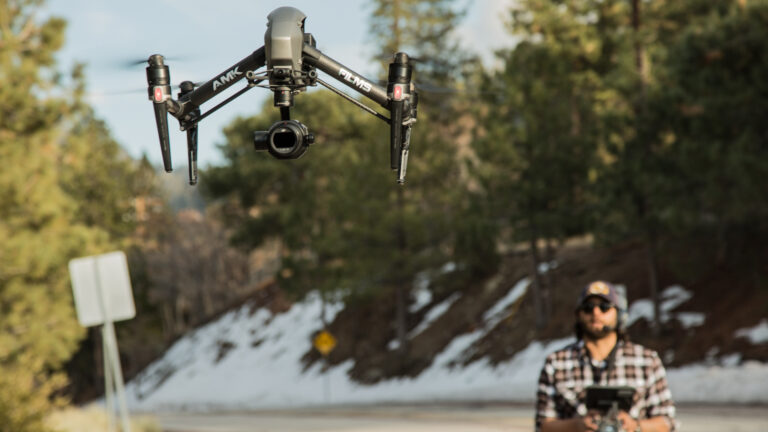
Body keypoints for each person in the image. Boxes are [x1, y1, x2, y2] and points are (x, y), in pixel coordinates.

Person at [535, 281, 676, 432]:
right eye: (588, 308)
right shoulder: (557, 363)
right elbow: (543, 425)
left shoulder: (647, 361)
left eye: (604, 307)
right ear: (579, 314)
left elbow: (667, 423)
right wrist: (578, 425)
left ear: (619, 313)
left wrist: (634, 426)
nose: (596, 313)